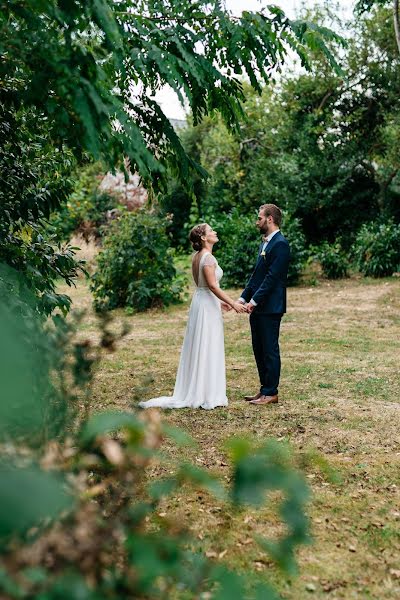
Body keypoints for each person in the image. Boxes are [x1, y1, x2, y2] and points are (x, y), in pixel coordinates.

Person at [138, 223, 246, 410]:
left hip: (202, 302)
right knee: (207, 344)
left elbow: (204, 286)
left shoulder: (198, 257)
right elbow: (212, 286)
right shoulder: (209, 258)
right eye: (211, 231)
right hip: (206, 305)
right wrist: (234, 303)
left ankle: (200, 388)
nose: (215, 232)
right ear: (204, 238)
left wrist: (219, 303)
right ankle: (206, 393)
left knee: (202, 344)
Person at [240, 204, 290, 405]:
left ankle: (272, 392)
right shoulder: (265, 244)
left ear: (270, 219)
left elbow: (272, 278)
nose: (257, 221)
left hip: (270, 307)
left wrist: (254, 301)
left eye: (260, 218)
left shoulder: (280, 244)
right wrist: (243, 298)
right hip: (259, 306)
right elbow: (257, 276)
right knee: (258, 348)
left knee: (269, 349)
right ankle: (263, 390)